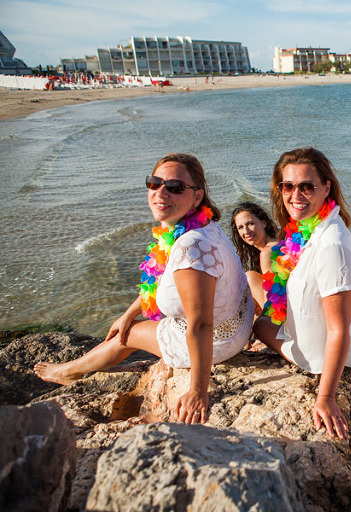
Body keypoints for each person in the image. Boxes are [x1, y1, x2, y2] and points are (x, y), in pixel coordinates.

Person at [35, 153, 254, 424]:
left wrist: (198, 390)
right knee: (127, 324)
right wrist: (127, 313)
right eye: (154, 183)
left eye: (174, 187)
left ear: (197, 196)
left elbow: (200, 324)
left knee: (127, 336)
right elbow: (159, 275)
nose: (161, 192)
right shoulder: (195, 224)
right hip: (239, 322)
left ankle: (69, 372)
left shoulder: (191, 247)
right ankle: (76, 365)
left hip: (217, 342)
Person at [252, 147, 351, 439]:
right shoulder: (307, 229)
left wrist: (326, 398)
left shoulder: (332, 244)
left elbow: (339, 329)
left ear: (326, 187)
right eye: (288, 186)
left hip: (329, 354)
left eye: (307, 186)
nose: (296, 195)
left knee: (258, 325)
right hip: (329, 334)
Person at [230, 201, 278, 309]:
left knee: (250, 277)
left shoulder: (267, 253)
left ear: (263, 223)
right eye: (240, 227)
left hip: (283, 315)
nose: (246, 231)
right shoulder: (277, 241)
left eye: (250, 224)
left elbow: (271, 303)